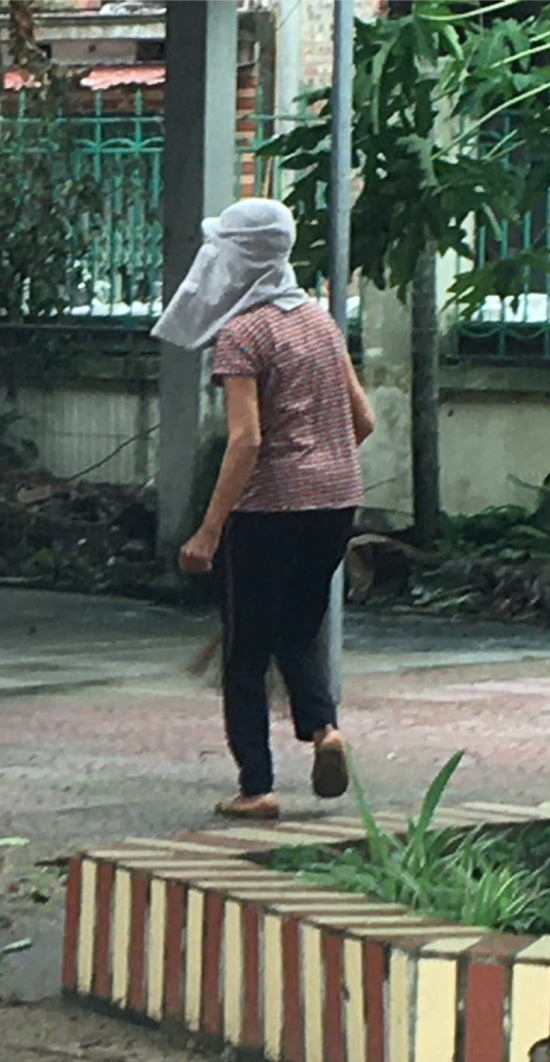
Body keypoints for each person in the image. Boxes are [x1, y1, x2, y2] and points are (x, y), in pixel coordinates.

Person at [154, 198, 377, 822]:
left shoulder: (241, 334)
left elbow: (246, 439)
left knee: (246, 652)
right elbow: (363, 419)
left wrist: (208, 530)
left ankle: (257, 787)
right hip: (336, 500)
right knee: (299, 631)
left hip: (268, 511)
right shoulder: (320, 322)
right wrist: (321, 462)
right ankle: (325, 729)